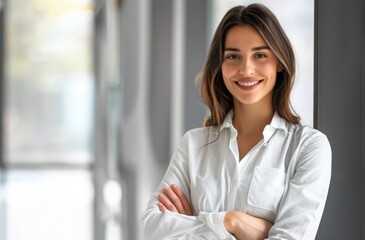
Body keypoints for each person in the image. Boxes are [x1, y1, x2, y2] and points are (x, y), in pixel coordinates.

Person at [141, 3, 331, 240]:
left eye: (260, 55)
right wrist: (232, 222)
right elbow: (151, 228)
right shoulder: (192, 145)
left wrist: (196, 222)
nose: (246, 69)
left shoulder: (308, 147)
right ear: (219, 66)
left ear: (280, 62)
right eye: (233, 56)